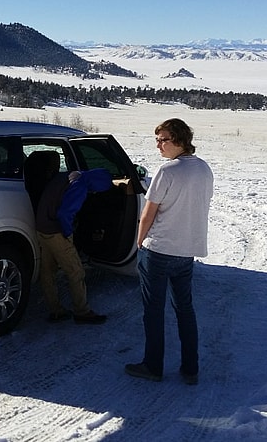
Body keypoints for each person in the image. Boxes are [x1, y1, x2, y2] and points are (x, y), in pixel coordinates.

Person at [125, 118, 213, 384]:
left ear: (179, 139)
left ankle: (153, 366)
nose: (158, 145)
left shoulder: (167, 171)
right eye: (157, 140)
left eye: (162, 139)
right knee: (185, 309)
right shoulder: (204, 169)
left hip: (159, 251)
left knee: (154, 311)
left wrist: (139, 242)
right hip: (187, 252)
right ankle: (190, 368)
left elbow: (148, 213)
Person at [35, 167, 113, 325]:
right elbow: (64, 214)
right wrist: (67, 233)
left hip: (41, 227)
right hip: (56, 231)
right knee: (75, 271)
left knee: (47, 271)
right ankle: (82, 312)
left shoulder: (69, 175)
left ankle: (56, 310)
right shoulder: (80, 186)